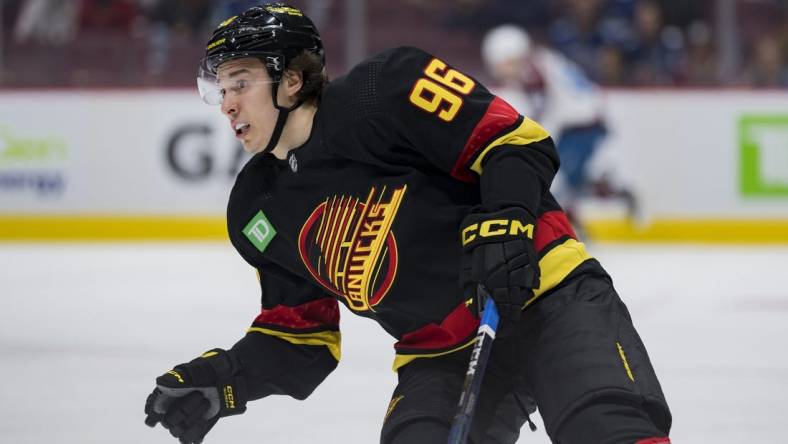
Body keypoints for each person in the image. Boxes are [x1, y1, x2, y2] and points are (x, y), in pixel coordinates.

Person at [143, 3, 672, 444]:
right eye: (219, 88)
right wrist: (224, 380)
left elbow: (516, 141)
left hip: (547, 297)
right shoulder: (258, 207)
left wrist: (508, 221)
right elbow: (301, 342)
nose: (227, 105)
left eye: (241, 82)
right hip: (439, 354)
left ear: (292, 79)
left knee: (611, 430)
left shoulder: (383, 90)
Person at [481, 24, 636, 235]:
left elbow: (541, 110)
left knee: (556, 181)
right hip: (583, 122)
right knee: (570, 180)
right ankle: (611, 194)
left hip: (582, 124)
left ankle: (567, 229)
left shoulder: (531, 72)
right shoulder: (540, 61)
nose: (499, 70)